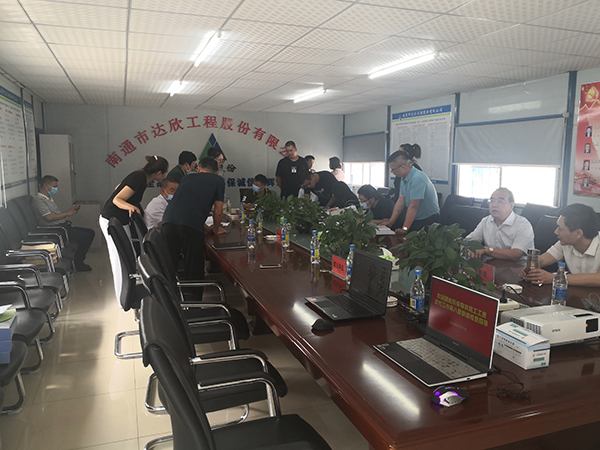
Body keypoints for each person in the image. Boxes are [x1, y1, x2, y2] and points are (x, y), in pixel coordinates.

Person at [100, 155, 168, 302]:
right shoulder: (139, 178)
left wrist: (132, 204)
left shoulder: (141, 177)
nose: (165, 176)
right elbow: (117, 199)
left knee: (127, 257)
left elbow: (119, 188)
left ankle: (128, 292)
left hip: (120, 219)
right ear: (159, 173)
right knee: (120, 259)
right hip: (111, 219)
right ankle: (123, 298)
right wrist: (130, 206)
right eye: (165, 173)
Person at [162, 157, 226, 300]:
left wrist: (206, 227)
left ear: (199, 168)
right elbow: (218, 211)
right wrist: (215, 229)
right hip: (190, 228)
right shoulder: (218, 180)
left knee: (170, 264)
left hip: (168, 222)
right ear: (216, 172)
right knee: (193, 266)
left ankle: (167, 301)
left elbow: (186, 206)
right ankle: (194, 303)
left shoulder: (186, 178)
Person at [521, 204, 600, 287]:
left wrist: (554, 278)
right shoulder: (565, 243)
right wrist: (530, 268)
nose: (556, 232)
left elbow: (598, 279)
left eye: (560, 228)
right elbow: (543, 260)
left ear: (578, 233)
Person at [32, 175, 95, 272]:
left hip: (63, 226)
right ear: (46, 186)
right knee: (85, 236)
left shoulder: (48, 199)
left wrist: (70, 211)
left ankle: (78, 261)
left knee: (90, 232)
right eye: (54, 186)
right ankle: (78, 263)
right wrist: (67, 213)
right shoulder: (39, 200)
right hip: (55, 229)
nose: (56, 189)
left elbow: (57, 214)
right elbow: (49, 217)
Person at [379, 150, 440, 235]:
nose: (392, 172)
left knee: (409, 240)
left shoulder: (417, 178)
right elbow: (401, 200)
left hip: (428, 220)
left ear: (403, 167)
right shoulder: (404, 177)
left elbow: (413, 206)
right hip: (415, 217)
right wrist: (390, 222)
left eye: (393, 169)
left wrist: (405, 228)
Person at [466, 188, 534, 263]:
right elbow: (468, 241)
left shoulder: (523, 225)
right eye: (492, 201)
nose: (494, 205)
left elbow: (515, 255)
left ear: (511, 205)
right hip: (491, 265)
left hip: (517, 268)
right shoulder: (485, 221)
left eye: (500, 201)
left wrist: (487, 250)